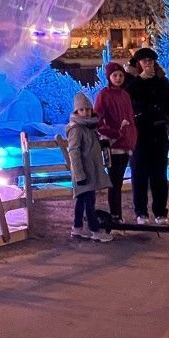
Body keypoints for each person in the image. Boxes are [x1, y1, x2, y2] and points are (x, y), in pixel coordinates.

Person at [123, 47, 169, 225]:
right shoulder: (132, 82)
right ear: (139, 64)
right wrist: (140, 81)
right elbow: (128, 99)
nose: (148, 64)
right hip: (140, 134)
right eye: (144, 61)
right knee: (139, 174)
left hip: (159, 133)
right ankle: (141, 211)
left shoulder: (162, 82)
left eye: (150, 61)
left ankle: (160, 211)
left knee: (159, 174)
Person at [93, 61, 137, 221]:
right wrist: (113, 133)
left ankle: (117, 216)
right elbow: (97, 120)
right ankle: (115, 215)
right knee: (115, 182)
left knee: (118, 181)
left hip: (125, 144)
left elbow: (130, 118)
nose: (118, 78)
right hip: (113, 145)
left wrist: (131, 137)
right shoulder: (104, 95)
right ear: (109, 77)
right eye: (115, 75)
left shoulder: (125, 95)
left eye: (120, 75)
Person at [66, 92, 112, 242]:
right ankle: (95, 230)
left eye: (87, 109)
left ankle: (77, 228)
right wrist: (79, 174)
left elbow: (91, 146)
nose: (85, 112)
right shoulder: (76, 129)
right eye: (81, 110)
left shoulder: (89, 128)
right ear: (76, 112)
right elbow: (74, 151)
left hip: (90, 171)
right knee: (88, 202)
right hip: (83, 172)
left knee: (82, 200)